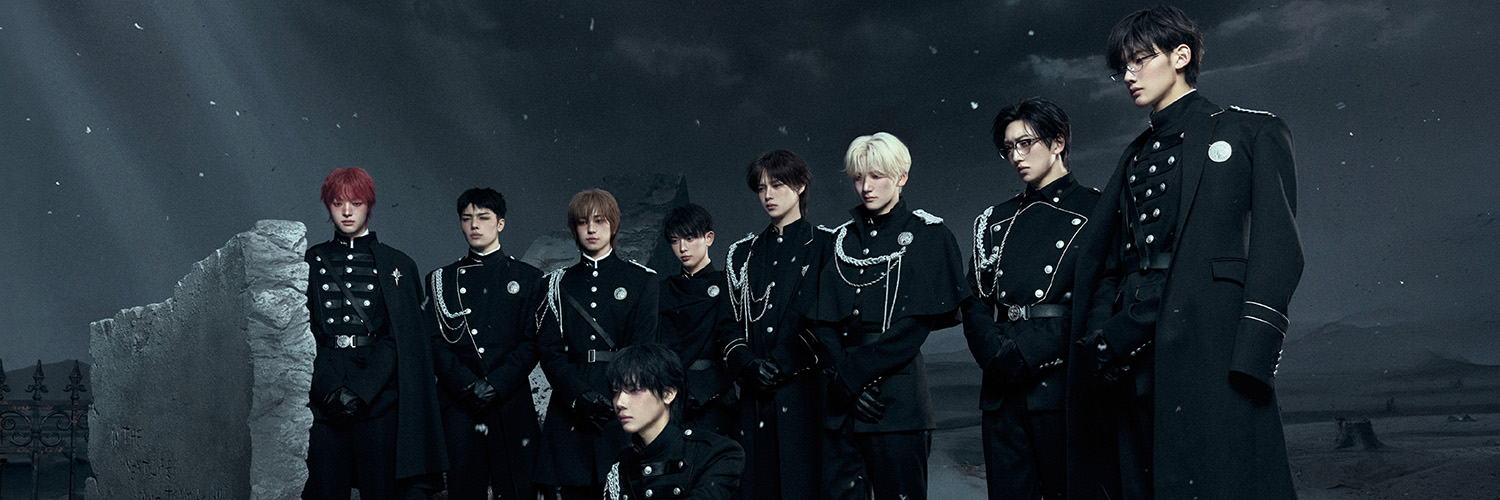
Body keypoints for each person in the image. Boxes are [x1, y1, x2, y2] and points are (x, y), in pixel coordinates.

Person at [1068, 6, 1304, 499]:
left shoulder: (1249, 132)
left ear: (1181, 56)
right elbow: (1111, 260)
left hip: (1211, 348)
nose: (1128, 75)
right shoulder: (1134, 156)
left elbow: (1278, 248)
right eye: (1123, 67)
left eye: (1139, 60)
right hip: (1133, 355)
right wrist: (1101, 339)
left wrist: (1253, 358)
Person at [810, 133, 968, 500]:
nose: (865, 187)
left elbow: (914, 328)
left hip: (897, 401)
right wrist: (845, 385)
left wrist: (852, 379)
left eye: (877, 176)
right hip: (840, 407)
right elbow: (822, 323)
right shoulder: (839, 242)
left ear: (902, 177)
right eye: (858, 177)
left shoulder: (929, 235)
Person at [962, 98, 1100, 500]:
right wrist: (994, 355)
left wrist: (1028, 352)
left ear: (1057, 143)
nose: (1016, 156)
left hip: (1060, 385)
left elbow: (1099, 301)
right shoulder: (994, 220)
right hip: (1001, 390)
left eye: (1026, 143)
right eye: (1009, 148)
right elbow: (973, 300)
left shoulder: (1098, 210)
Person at [303, 167, 445, 499]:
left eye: (356, 203)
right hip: (324, 400)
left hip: (377, 401)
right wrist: (328, 388)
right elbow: (301, 333)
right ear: (328, 206)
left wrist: (361, 391)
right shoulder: (310, 261)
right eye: (338, 203)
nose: (347, 212)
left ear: (369, 205)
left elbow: (401, 339)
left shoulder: (398, 265)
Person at [718, 150, 831, 500]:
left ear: (800, 186)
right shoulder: (742, 254)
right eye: (761, 187)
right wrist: (747, 364)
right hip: (754, 401)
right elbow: (727, 325)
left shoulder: (826, 246)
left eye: (777, 185)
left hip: (805, 396)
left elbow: (828, 321)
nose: (768, 195)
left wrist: (782, 362)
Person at [534, 189, 660, 500]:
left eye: (600, 221)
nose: (591, 229)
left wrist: (615, 395)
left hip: (622, 407)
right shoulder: (554, 285)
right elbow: (549, 352)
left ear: (614, 225)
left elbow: (641, 348)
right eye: (582, 222)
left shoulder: (641, 280)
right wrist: (577, 396)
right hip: (569, 408)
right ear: (574, 229)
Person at [425, 188, 544, 500]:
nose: (474, 225)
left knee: (517, 492)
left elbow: (532, 342)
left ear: (500, 223)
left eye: (483, 217)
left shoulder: (529, 278)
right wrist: (467, 385)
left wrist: (495, 384)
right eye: (467, 219)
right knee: (464, 492)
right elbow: (435, 341)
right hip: (461, 404)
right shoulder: (441, 279)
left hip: (509, 401)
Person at [606, 343, 745, 500]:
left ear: (668, 394)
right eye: (616, 392)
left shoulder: (715, 453)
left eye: (634, 390)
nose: (620, 402)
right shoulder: (623, 464)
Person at [656, 204, 738, 436]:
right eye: (675, 241)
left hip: (716, 399)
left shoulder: (727, 285)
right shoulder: (662, 290)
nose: (682, 248)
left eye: (690, 238)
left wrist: (704, 390)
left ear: (709, 238)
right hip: (671, 398)